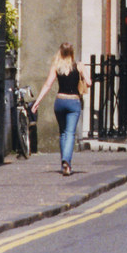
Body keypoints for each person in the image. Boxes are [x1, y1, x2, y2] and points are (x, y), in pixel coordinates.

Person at [31, 42, 90, 176]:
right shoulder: (79, 65)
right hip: (73, 102)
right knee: (70, 133)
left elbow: (47, 85)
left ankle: (65, 163)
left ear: (60, 52)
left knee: (63, 133)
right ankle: (66, 161)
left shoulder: (56, 67)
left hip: (60, 101)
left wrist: (37, 102)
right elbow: (89, 82)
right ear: (72, 52)